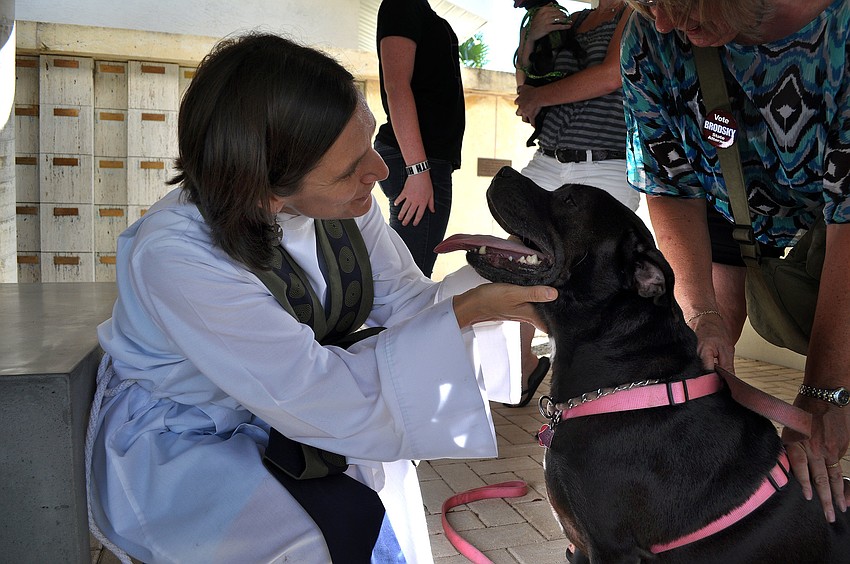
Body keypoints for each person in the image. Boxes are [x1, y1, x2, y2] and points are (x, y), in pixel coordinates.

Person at [86, 33, 556, 564]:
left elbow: (409, 304)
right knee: (301, 546)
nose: (379, 172)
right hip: (191, 433)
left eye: (372, 141)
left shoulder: (345, 205)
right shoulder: (177, 256)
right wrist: (470, 312)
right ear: (265, 189)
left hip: (298, 405)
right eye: (349, 167)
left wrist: (496, 273)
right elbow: (314, 391)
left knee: (371, 511)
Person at [619, 0, 850, 525]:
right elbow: (669, 180)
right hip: (730, 209)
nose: (660, 22)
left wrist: (823, 392)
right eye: (645, 3)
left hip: (835, 228)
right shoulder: (653, 34)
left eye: (673, 0)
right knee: (699, 368)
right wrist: (701, 314)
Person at [509, 0, 636, 407]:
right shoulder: (574, 20)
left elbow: (611, 75)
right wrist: (529, 43)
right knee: (516, 261)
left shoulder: (634, 13)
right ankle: (522, 370)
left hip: (607, 162)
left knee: (584, 279)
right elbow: (527, 91)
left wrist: (539, 97)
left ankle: (584, 392)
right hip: (548, 158)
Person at [374, 0, 465, 279]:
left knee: (411, 274)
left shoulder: (418, 10)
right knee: (411, 279)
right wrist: (417, 169)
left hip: (423, 160)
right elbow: (396, 87)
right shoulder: (402, 5)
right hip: (416, 160)